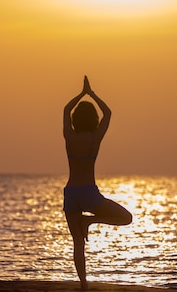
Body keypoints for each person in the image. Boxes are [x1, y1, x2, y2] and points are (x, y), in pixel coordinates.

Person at [63, 76, 132, 290]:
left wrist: (81, 94)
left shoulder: (69, 137)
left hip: (71, 192)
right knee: (126, 218)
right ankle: (90, 222)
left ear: (75, 119)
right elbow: (108, 113)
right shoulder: (95, 139)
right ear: (92, 119)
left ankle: (84, 284)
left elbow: (66, 110)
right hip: (89, 193)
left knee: (77, 244)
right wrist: (92, 94)